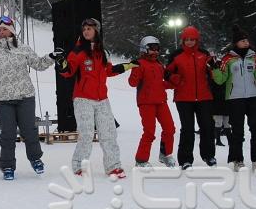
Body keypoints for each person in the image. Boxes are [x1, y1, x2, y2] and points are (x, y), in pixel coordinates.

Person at [0, 15, 56, 180]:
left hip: (25, 97)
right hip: (3, 99)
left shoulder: (23, 48)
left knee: (29, 131)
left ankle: (35, 159)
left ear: (12, 31)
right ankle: (7, 166)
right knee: (8, 134)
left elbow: (38, 64)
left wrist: (51, 57)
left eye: (4, 29)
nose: (1, 32)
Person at [58, 18, 136, 179]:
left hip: (102, 100)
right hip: (82, 99)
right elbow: (68, 72)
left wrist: (126, 66)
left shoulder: (102, 52)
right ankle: (79, 167)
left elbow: (109, 71)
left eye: (90, 29)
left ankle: (113, 167)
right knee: (86, 134)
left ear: (97, 31)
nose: (86, 31)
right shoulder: (77, 52)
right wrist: (61, 63)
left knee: (108, 133)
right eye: (84, 28)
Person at [211, 26, 256, 171]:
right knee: (237, 131)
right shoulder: (227, 59)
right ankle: (237, 159)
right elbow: (220, 80)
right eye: (242, 40)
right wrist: (215, 69)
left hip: (252, 97)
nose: (246, 42)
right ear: (236, 42)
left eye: (246, 40)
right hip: (235, 98)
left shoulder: (254, 57)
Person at [165, 26, 216, 168]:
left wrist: (213, 66)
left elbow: (213, 73)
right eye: (186, 40)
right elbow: (166, 73)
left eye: (192, 40)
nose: (189, 42)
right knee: (187, 128)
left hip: (204, 97)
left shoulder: (204, 54)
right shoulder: (176, 55)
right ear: (183, 40)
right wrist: (174, 78)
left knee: (207, 126)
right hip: (183, 98)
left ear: (197, 40)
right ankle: (185, 159)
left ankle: (209, 155)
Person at [128, 35, 175, 168]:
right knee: (149, 131)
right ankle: (141, 160)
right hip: (146, 102)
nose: (155, 51)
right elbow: (132, 83)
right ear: (144, 49)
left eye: (157, 49)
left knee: (170, 128)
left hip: (161, 101)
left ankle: (165, 154)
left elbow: (160, 83)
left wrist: (174, 83)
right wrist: (134, 69)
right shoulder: (140, 63)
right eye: (152, 49)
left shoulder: (159, 64)